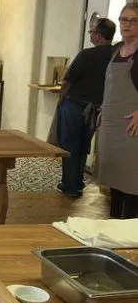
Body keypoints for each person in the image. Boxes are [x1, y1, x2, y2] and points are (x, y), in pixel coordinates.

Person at [51, 18, 116, 199]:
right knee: (83, 145)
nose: (90, 34)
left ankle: (69, 186)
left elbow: (66, 82)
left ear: (98, 35)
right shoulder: (116, 55)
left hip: (75, 106)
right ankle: (78, 181)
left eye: (92, 31)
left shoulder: (86, 55)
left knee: (69, 145)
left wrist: (60, 100)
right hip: (96, 108)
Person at [97, 3, 138, 219]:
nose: (127, 24)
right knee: (115, 184)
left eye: (133, 20)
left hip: (132, 129)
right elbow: (110, 85)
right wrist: (105, 106)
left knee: (132, 185)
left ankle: (131, 239)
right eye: (124, 19)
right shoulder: (116, 50)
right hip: (112, 126)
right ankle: (113, 228)